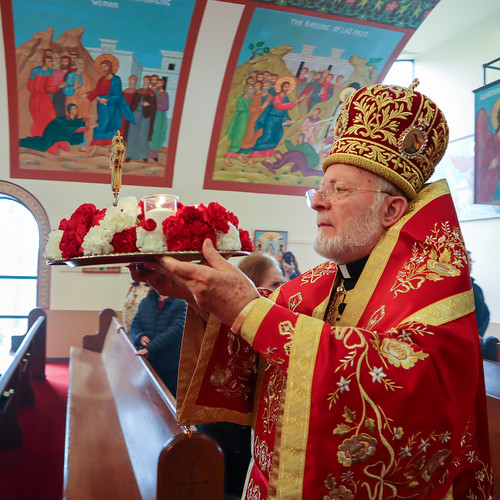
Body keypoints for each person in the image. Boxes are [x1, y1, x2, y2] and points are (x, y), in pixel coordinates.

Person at [130, 81, 493, 498]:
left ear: (392, 210)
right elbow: (265, 323)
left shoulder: (433, 293)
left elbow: (408, 390)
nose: (319, 201)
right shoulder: (323, 280)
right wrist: (199, 295)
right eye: (320, 189)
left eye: (338, 190)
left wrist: (247, 308)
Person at [197, 253, 284, 498]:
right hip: (233, 446)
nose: (283, 290)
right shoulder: (240, 325)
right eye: (276, 283)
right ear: (252, 287)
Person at [128, 288, 187, 397]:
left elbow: (176, 330)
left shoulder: (180, 303)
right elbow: (135, 325)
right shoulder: (146, 302)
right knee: (148, 398)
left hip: (168, 364)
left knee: (169, 400)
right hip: (148, 362)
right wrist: (139, 337)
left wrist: (150, 347)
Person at [468, 251, 494, 359]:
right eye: (467, 260)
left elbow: (485, 313)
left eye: (470, 261)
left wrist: (479, 334)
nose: (470, 264)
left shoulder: (476, 288)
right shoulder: (449, 288)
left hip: (473, 342)